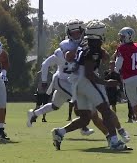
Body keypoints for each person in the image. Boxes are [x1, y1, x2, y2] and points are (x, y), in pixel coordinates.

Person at [51, 21, 131, 151]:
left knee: (85, 118)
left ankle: (59, 132)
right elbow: (89, 73)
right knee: (105, 110)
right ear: (99, 34)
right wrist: (107, 82)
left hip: (76, 82)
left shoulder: (86, 44)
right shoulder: (92, 49)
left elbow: (101, 56)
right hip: (86, 81)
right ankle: (114, 141)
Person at [26, 20, 95, 136]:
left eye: (78, 33)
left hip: (71, 81)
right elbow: (45, 64)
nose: (76, 35)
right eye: (73, 33)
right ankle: (84, 127)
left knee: (55, 106)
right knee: (78, 98)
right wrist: (44, 80)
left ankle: (34, 114)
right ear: (68, 34)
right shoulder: (63, 48)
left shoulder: (84, 46)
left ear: (83, 32)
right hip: (62, 80)